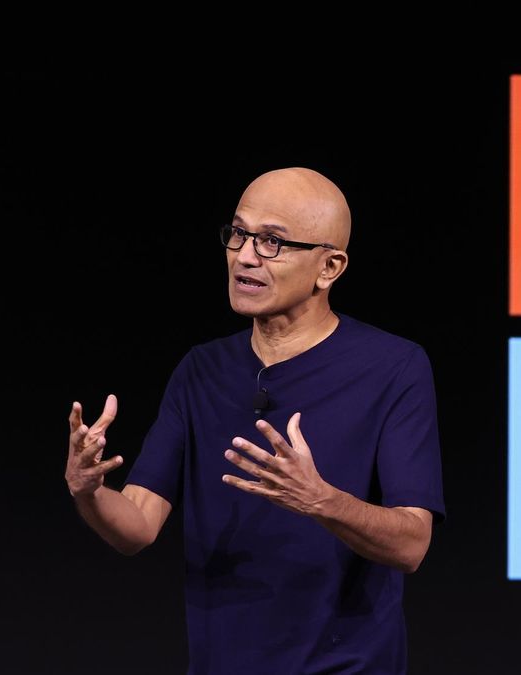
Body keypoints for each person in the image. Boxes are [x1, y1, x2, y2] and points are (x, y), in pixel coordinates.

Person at [63, 167, 446, 674]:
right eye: (239, 233)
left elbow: (412, 544)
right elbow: (137, 526)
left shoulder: (393, 367)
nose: (244, 255)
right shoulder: (202, 370)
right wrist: (88, 491)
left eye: (272, 242)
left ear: (329, 267)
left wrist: (320, 499)